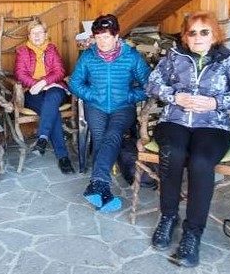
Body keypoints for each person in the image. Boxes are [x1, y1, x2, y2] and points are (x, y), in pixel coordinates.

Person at [145, 11, 230, 267]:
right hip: (174, 121)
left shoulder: (227, 61)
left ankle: (193, 233)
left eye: (204, 32)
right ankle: (168, 217)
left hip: (212, 125)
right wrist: (174, 96)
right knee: (172, 154)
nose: (198, 37)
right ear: (185, 37)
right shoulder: (174, 57)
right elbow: (152, 83)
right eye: (192, 33)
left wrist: (216, 102)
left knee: (201, 162)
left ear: (214, 35)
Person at [69, 14, 150, 212]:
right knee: (99, 138)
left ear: (116, 36)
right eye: (98, 37)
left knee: (112, 134)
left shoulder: (131, 57)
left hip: (122, 108)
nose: (102, 42)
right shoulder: (88, 56)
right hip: (95, 106)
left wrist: (130, 96)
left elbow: (149, 85)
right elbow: (74, 83)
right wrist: (91, 95)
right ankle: (101, 189)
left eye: (106, 37)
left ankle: (97, 185)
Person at [14, 18, 75, 174]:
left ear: (46, 34)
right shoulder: (22, 52)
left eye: (40, 32)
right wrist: (37, 84)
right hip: (33, 92)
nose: (37, 36)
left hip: (54, 88)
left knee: (52, 98)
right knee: (52, 111)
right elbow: (20, 74)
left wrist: (44, 82)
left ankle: (42, 138)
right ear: (29, 36)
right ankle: (63, 157)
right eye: (33, 33)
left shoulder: (52, 50)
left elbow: (59, 71)